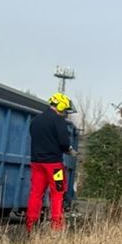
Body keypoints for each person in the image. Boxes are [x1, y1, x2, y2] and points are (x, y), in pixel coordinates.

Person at [26, 92, 75, 232]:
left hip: (37, 163)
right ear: (60, 106)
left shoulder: (35, 120)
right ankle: (57, 226)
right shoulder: (58, 121)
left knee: (35, 193)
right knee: (58, 193)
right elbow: (64, 142)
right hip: (54, 166)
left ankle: (31, 224)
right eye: (65, 110)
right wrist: (69, 149)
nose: (65, 113)